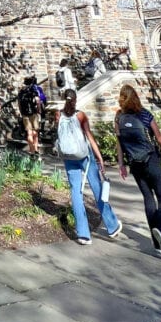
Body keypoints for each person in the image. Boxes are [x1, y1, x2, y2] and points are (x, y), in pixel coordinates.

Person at [114, 83, 161, 258]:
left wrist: (121, 164)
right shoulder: (145, 115)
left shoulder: (118, 118)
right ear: (136, 97)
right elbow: (159, 138)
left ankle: (156, 244)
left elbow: (119, 143)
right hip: (151, 161)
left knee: (148, 198)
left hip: (135, 164)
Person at [56, 88, 121, 245]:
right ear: (76, 99)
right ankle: (112, 226)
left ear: (64, 99)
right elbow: (89, 137)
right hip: (85, 155)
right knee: (97, 187)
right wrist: (99, 157)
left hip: (68, 156)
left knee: (76, 192)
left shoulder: (58, 115)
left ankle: (83, 234)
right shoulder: (80, 115)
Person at [17, 75, 42, 156]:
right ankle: (35, 149)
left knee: (29, 133)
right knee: (35, 132)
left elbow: (19, 104)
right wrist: (39, 110)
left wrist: (21, 113)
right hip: (33, 113)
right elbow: (37, 101)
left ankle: (31, 150)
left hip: (25, 114)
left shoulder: (21, 92)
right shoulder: (33, 90)